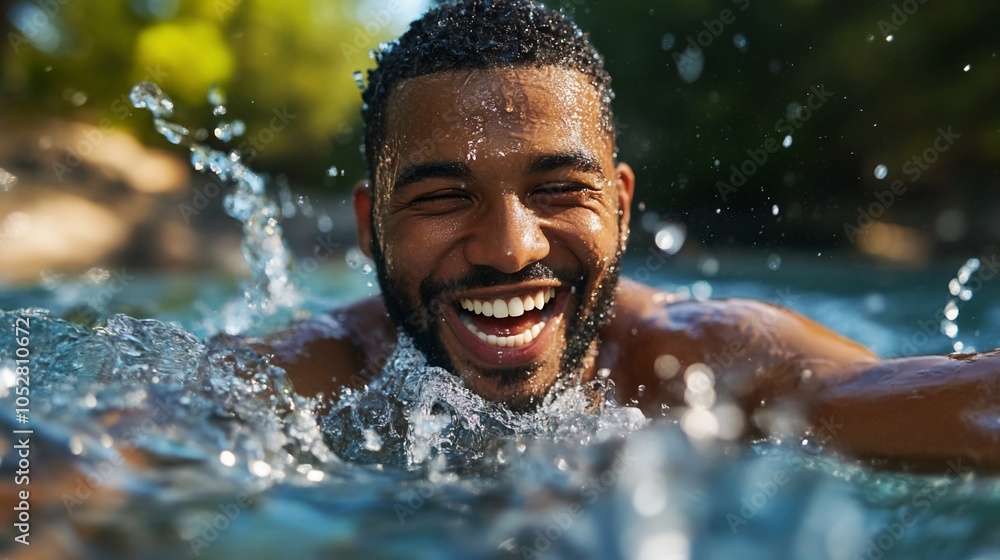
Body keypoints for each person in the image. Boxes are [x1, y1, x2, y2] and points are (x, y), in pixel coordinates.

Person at [260, 0, 1000, 471]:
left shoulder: (709, 365)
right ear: (369, 227)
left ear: (618, 206)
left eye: (558, 190)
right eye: (444, 197)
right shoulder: (311, 378)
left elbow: (933, 400)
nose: (510, 249)